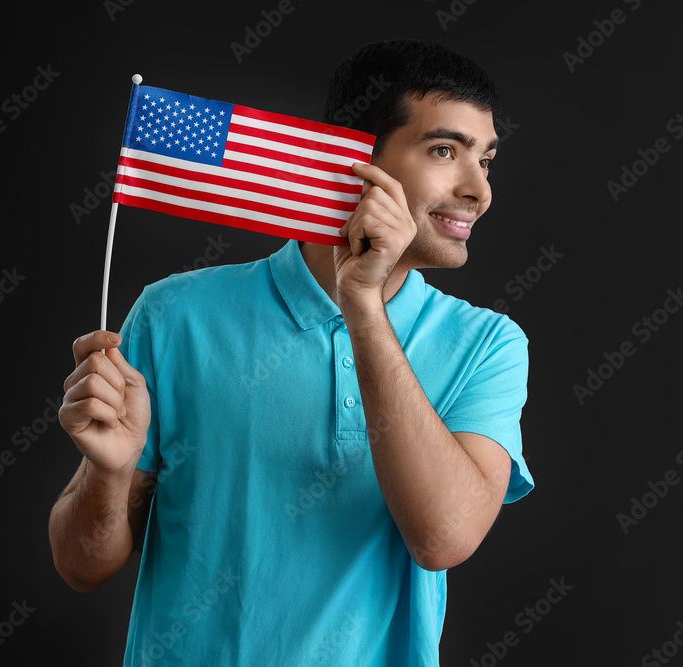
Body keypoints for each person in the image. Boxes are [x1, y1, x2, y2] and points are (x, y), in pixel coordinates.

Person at [48, 39, 534, 666]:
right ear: (355, 161)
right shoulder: (175, 315)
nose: (478, 191)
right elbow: (80, 567)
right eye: (444, 150)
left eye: (485, 160)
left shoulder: (489, 344)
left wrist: (363, 304)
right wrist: (108, 473)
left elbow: (443, 536)